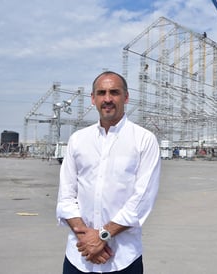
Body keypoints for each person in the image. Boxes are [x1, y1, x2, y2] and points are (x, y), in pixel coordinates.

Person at [56, 71, 161, 274]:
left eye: (114, 92)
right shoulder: (78, 140)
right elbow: (66, 197)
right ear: (93, 99)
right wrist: (88, 239)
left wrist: (102, 236)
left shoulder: (143, 140)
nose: (107, 99)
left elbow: (141, 201)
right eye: (101, 93)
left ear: (126, 97)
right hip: (80, 256)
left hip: (123, 259)